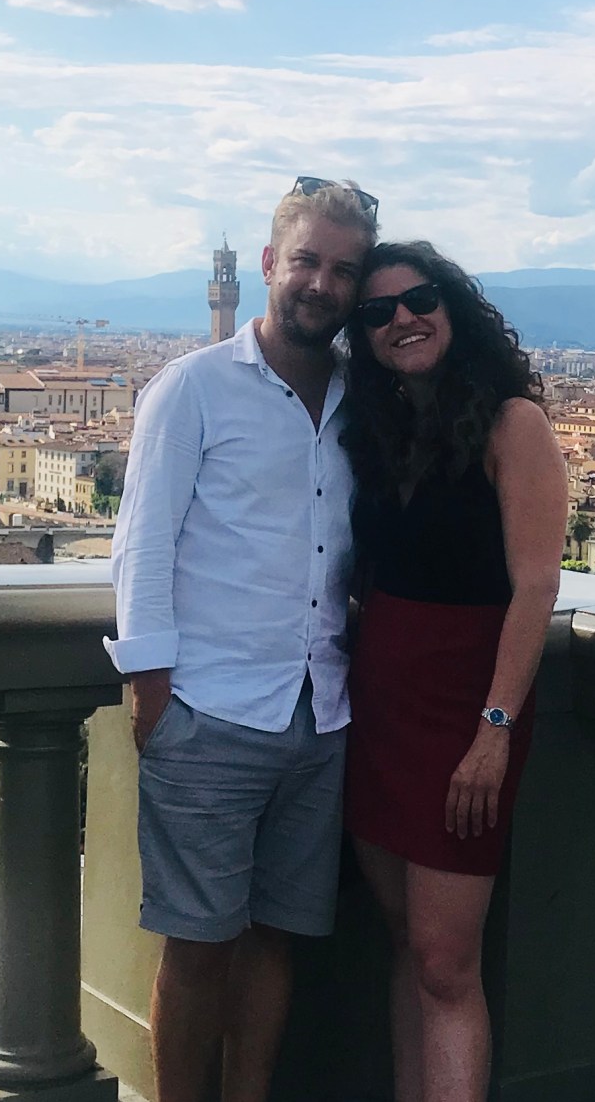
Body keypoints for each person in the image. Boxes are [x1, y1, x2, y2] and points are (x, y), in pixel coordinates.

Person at [106, 177, 378, 1102]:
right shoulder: (192, 387)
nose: (321, 284)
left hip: (321, 712)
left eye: (343, 270)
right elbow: (143, 544)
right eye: (306, 261)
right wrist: (153, 694)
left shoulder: (359, 401)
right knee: (196, 947)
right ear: (266, 264)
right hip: (209, 710)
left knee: (276, 939)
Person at [339, 241, 568, 1102]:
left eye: (419, 299)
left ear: (454, 308)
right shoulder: (385, 431)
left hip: (465, 717)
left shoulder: (515, 425)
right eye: (377, 312)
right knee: (407, 946)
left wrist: (494, 731)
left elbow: (536, 585)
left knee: (445, 964)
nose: (402, 319)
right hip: (379, 710)